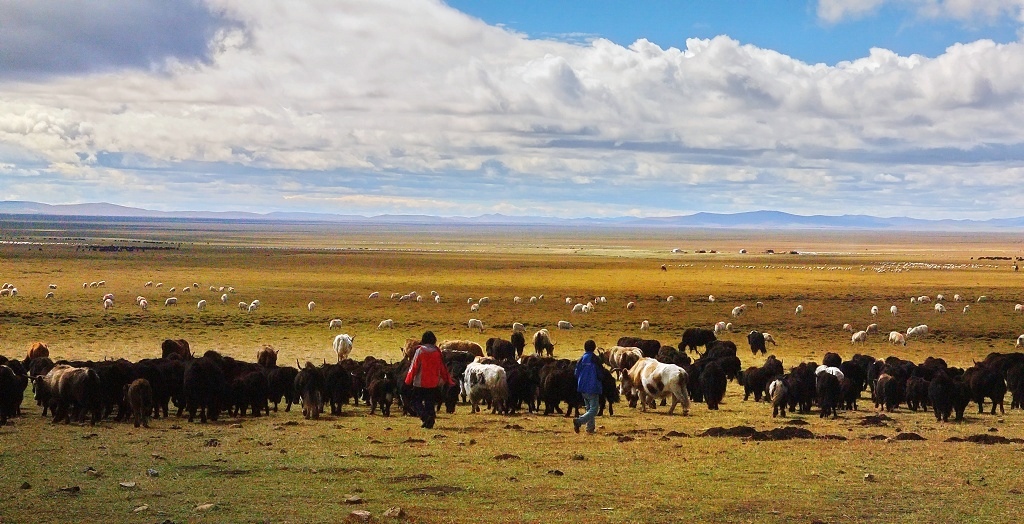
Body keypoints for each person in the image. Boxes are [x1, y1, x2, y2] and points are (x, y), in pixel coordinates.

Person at [404, 330, 455, 429]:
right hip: (433, 383)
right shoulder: (437, 352)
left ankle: (425, 417)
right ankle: (430, 422)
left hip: (420, 382)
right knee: (430, 403)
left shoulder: (420, 351)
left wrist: (408, 381)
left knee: (415, 402)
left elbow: (414, 367)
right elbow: (442, 367)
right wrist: (448, 380)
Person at [573, 339, 602, 434]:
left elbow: (576, 373)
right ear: (594, 348)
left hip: (582, 386)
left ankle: (590, 429)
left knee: (589, 408)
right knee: (594, 409)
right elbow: (600, 373)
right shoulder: (595, 359)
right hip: (593, 387)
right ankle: (579, 421)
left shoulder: (581, 359)